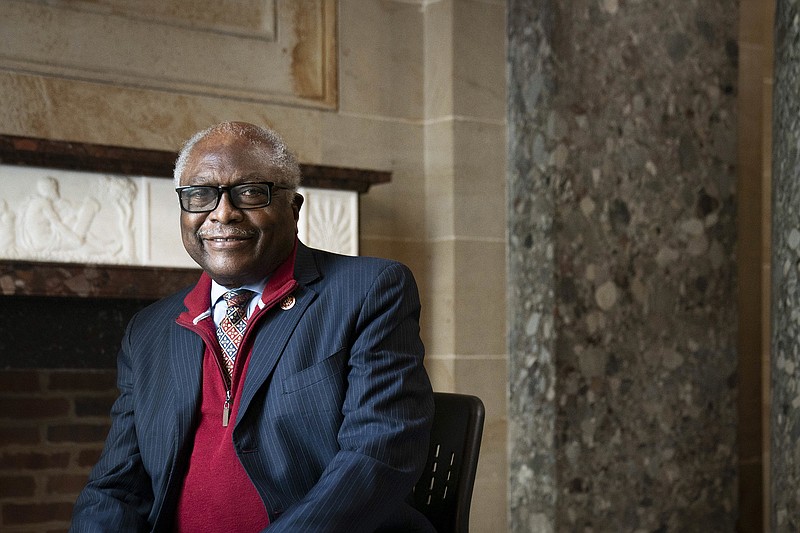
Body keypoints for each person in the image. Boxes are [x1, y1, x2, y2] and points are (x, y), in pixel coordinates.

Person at [70, 121, 435, 532]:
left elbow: (379, 453)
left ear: (293, 209)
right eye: (200, 195)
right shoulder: (149, 330)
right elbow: (116, 487)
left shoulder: (368, 291)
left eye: (249, 192)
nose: (222, 212)